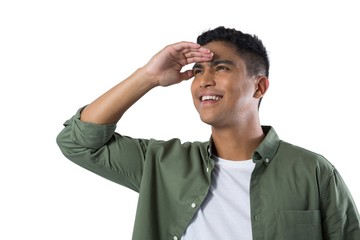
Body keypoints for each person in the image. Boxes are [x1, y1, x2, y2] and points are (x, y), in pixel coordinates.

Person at [56, 26, 360, 240]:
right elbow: (79, 143)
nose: (204, 81)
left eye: (221, 68)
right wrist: (148, 76)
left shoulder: (313, 171)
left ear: (259, 86)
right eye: (199, 71)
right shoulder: (161, 164)